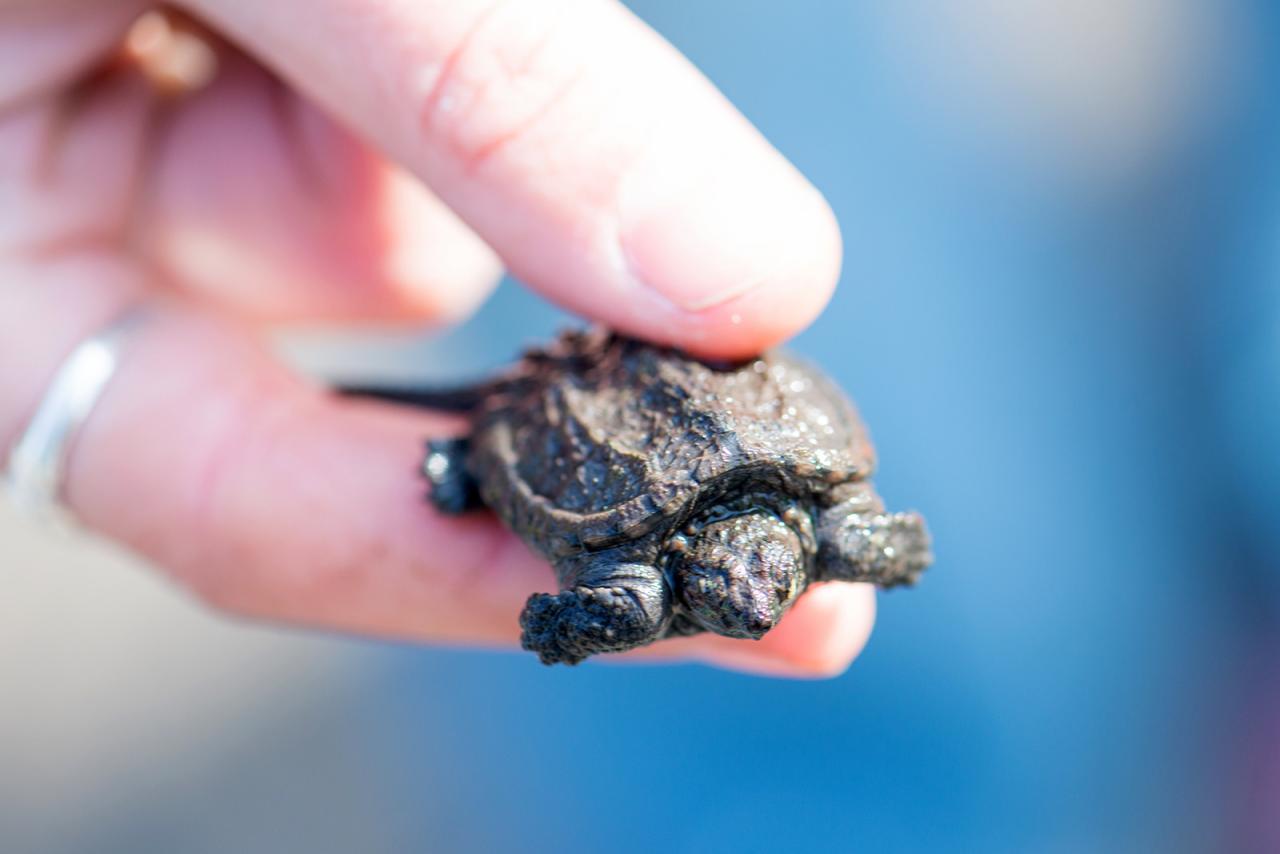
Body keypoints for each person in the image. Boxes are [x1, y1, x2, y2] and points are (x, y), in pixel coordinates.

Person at [0, 1, 873, 676]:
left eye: (757, 593)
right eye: (737, 591)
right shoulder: (662, 579)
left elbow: (868, 534)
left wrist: (565, 627)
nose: (754, 608)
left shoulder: (795, 518)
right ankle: (473, 465)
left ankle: (472, 466)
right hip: (597, 376)